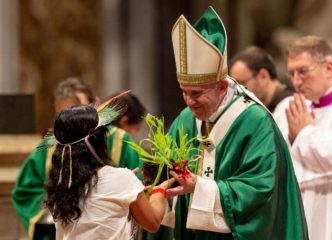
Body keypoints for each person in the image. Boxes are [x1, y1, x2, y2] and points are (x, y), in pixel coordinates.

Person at [161, 6, 308, 240]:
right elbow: (164, 169)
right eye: (184, 92)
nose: (189, 101)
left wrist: (199, 187)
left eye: (197, 93)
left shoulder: (254, 122)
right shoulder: (186, 120)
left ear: (221, 87)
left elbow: (261, 191)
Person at [11, 77, 142, 240]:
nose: (72, 123)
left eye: (78, 110)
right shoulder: (50, 145)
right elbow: (25, 191)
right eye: (63, 116)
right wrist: (55, 207)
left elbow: (141, 199)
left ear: (95, 105)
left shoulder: (121, 142)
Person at [43, 104, 174, 239]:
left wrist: (128, 186)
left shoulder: (61, 185)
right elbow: (152, 223)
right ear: (99, 141)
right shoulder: (122, 179)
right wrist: (158, 192)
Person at [275, 35, 332, 240]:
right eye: (291, 74)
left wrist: (302, 136)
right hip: (301, 218)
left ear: (328, 67)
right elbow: (279, 166)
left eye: (303, 71)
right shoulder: (288, 109)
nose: (296, 81)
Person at [229, 46, 293, 112]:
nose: (237, 92)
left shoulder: (289, 106)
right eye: (234, 86)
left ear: (263, 76)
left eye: (241, 83)